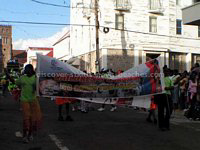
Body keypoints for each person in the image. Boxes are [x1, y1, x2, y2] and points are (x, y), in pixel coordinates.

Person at [12, 64, 42, 143]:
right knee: (26, 119)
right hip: (24, 101)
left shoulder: (36, 78)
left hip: (33, 100)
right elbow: (16, 83)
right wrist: (8, 76)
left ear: (31, 70)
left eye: (27, 69)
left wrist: (36, 86)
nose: (26, 70)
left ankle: (30, 134)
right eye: (25, 69)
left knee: (32, 119)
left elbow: (39, 89)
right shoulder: (22, 78)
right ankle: (25, 136)